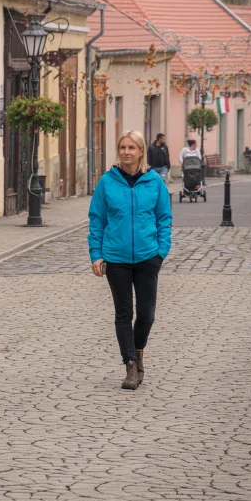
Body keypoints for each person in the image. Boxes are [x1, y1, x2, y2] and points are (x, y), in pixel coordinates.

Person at [88, 130, 172, 390]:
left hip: (149, 257)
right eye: (122, 147)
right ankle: (130, 366)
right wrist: (96, 254)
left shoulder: (154, 181)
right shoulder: (107, 182)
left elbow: (164, 219)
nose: (126, 152)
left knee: (146, 315)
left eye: (131, 148)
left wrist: (161, 252)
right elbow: (97, 220)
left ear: (140, 151)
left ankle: (138, 351)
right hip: (117, 258)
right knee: (123, 313)